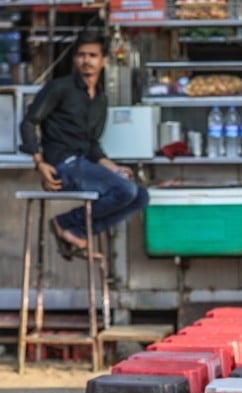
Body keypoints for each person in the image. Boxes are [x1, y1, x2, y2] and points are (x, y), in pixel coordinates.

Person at [20, 30, 148, 261]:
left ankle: (76, 231)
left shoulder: (100, 98)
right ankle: (65, 224)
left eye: (92, 55)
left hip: (83, 163)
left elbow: (91, 146)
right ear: (74, 59)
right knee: (125, 190)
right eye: (81, 55)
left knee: (140, 196)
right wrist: (40, 163)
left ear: (104, 61)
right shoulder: (60, 88)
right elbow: (29, 122)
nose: (86, 61)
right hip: (63, 164)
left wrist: (114, 168)